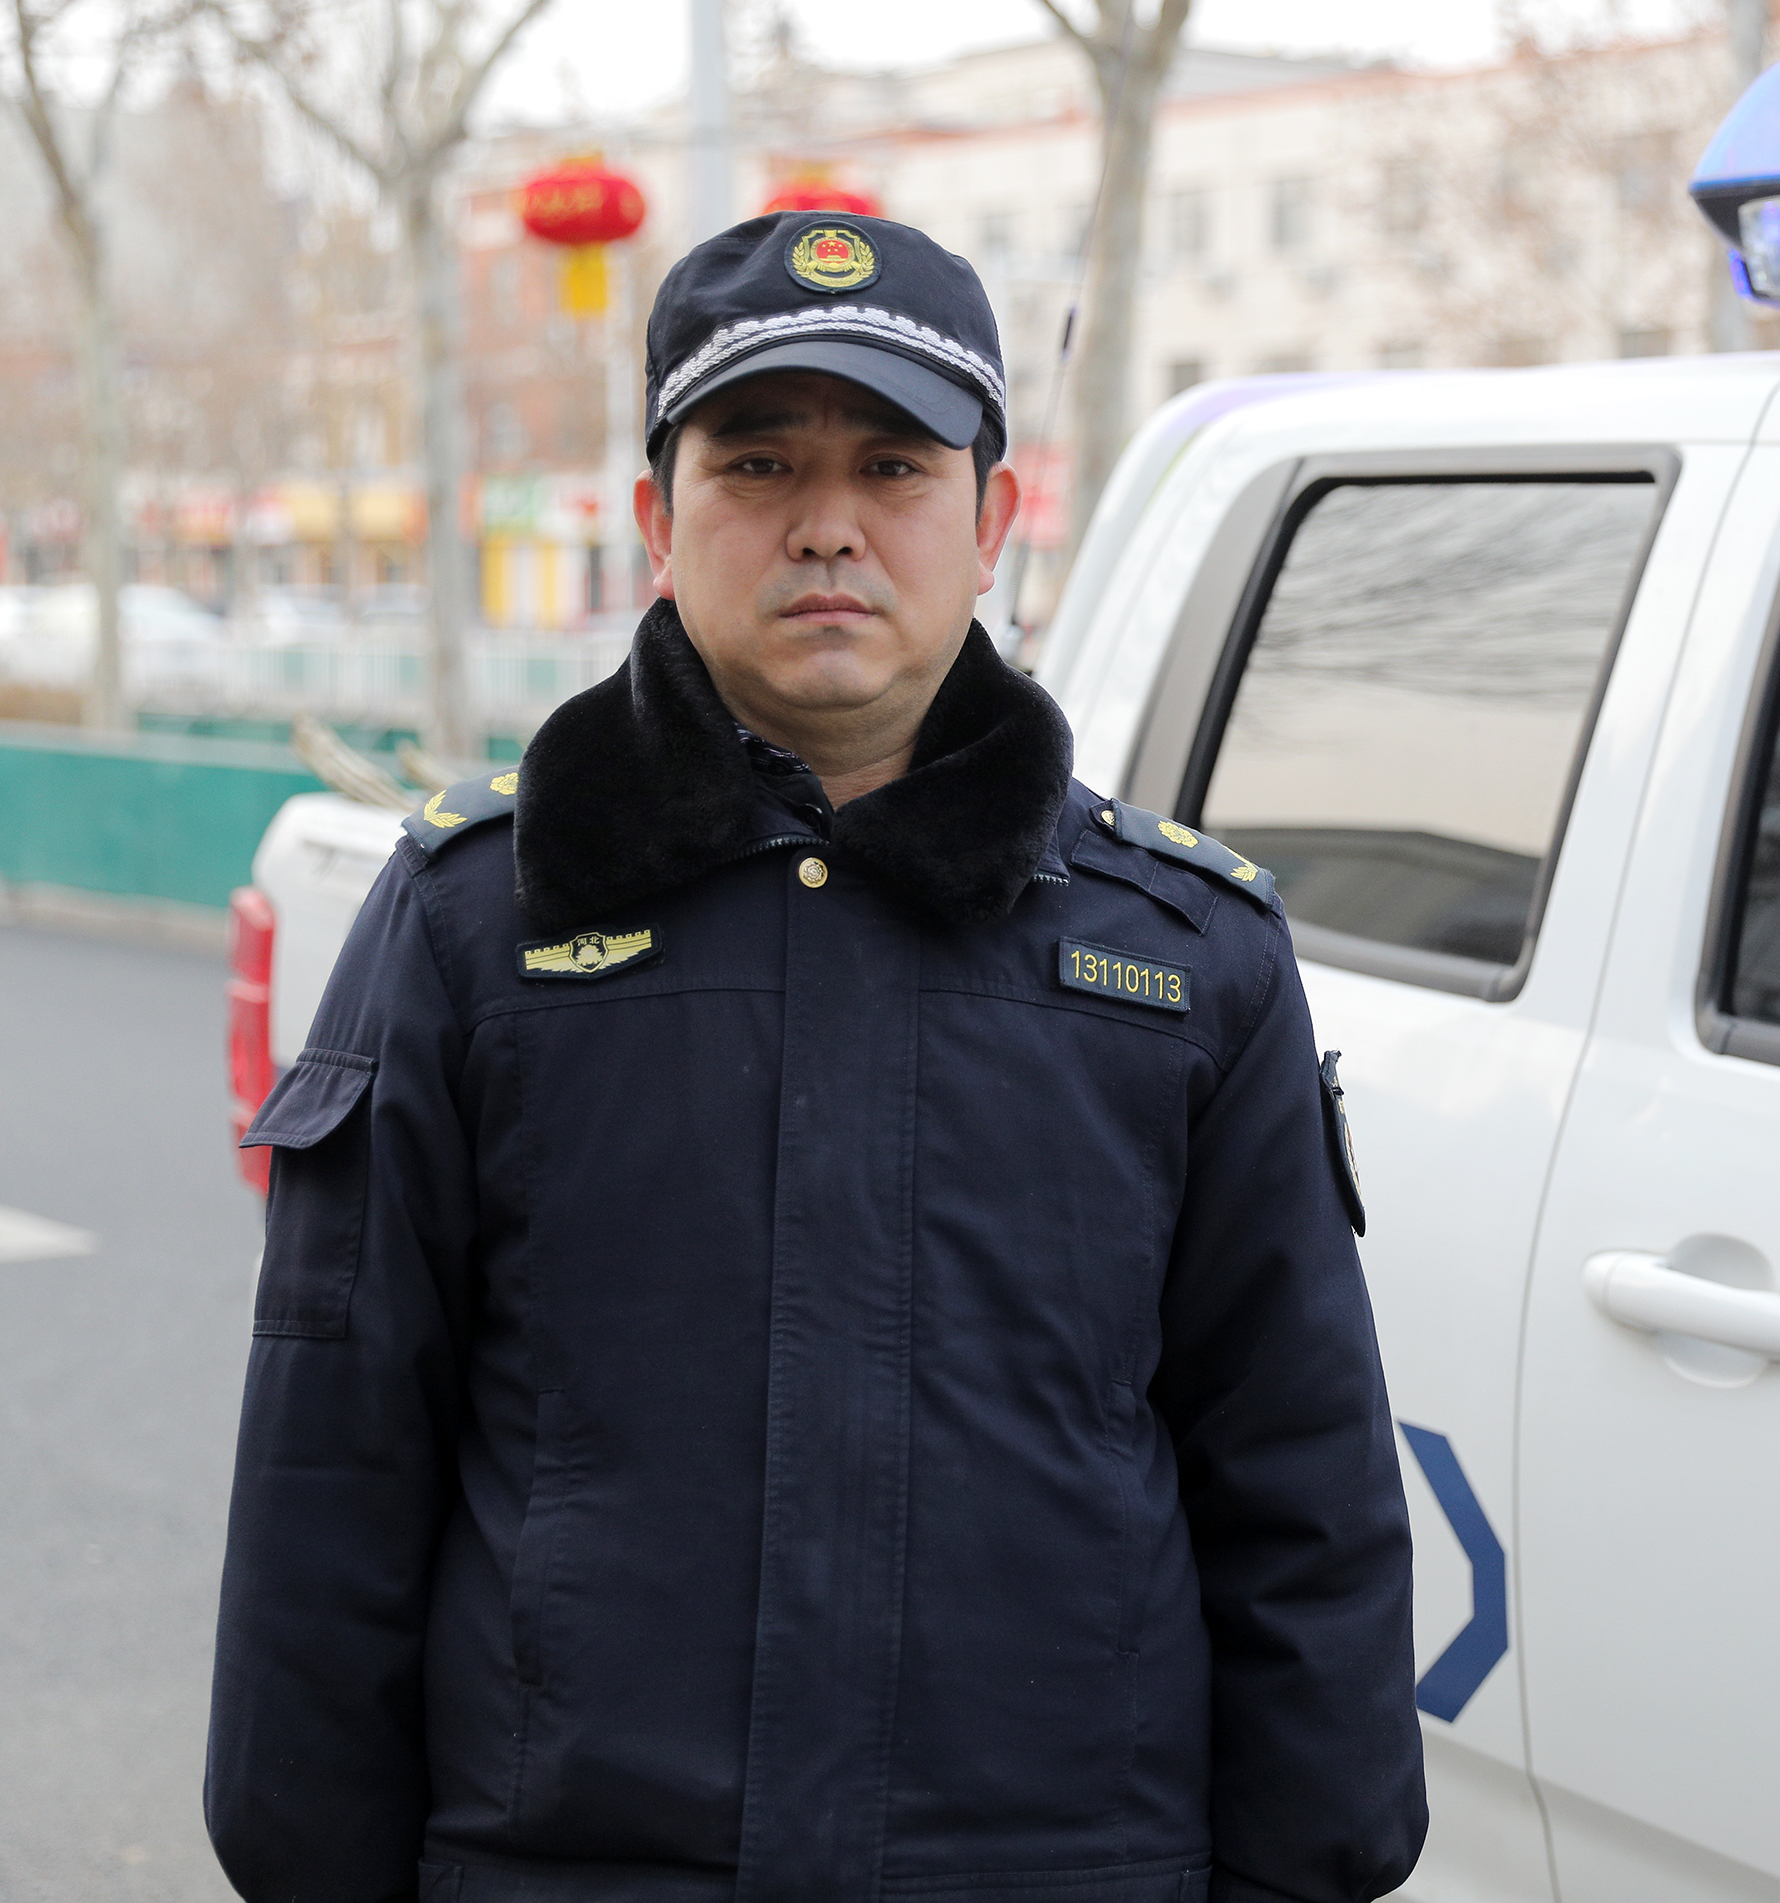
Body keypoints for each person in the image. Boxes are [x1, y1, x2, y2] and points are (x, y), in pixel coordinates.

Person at [207, 211, 1426, 1903]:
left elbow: (1301, 1480)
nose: (829, 524)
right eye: (759, 462)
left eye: (896, 467)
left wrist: (1306, 1869)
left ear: (992, 522)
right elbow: (336, 1461)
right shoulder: (473, 926)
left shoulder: (1183, 958)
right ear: (659, 521)